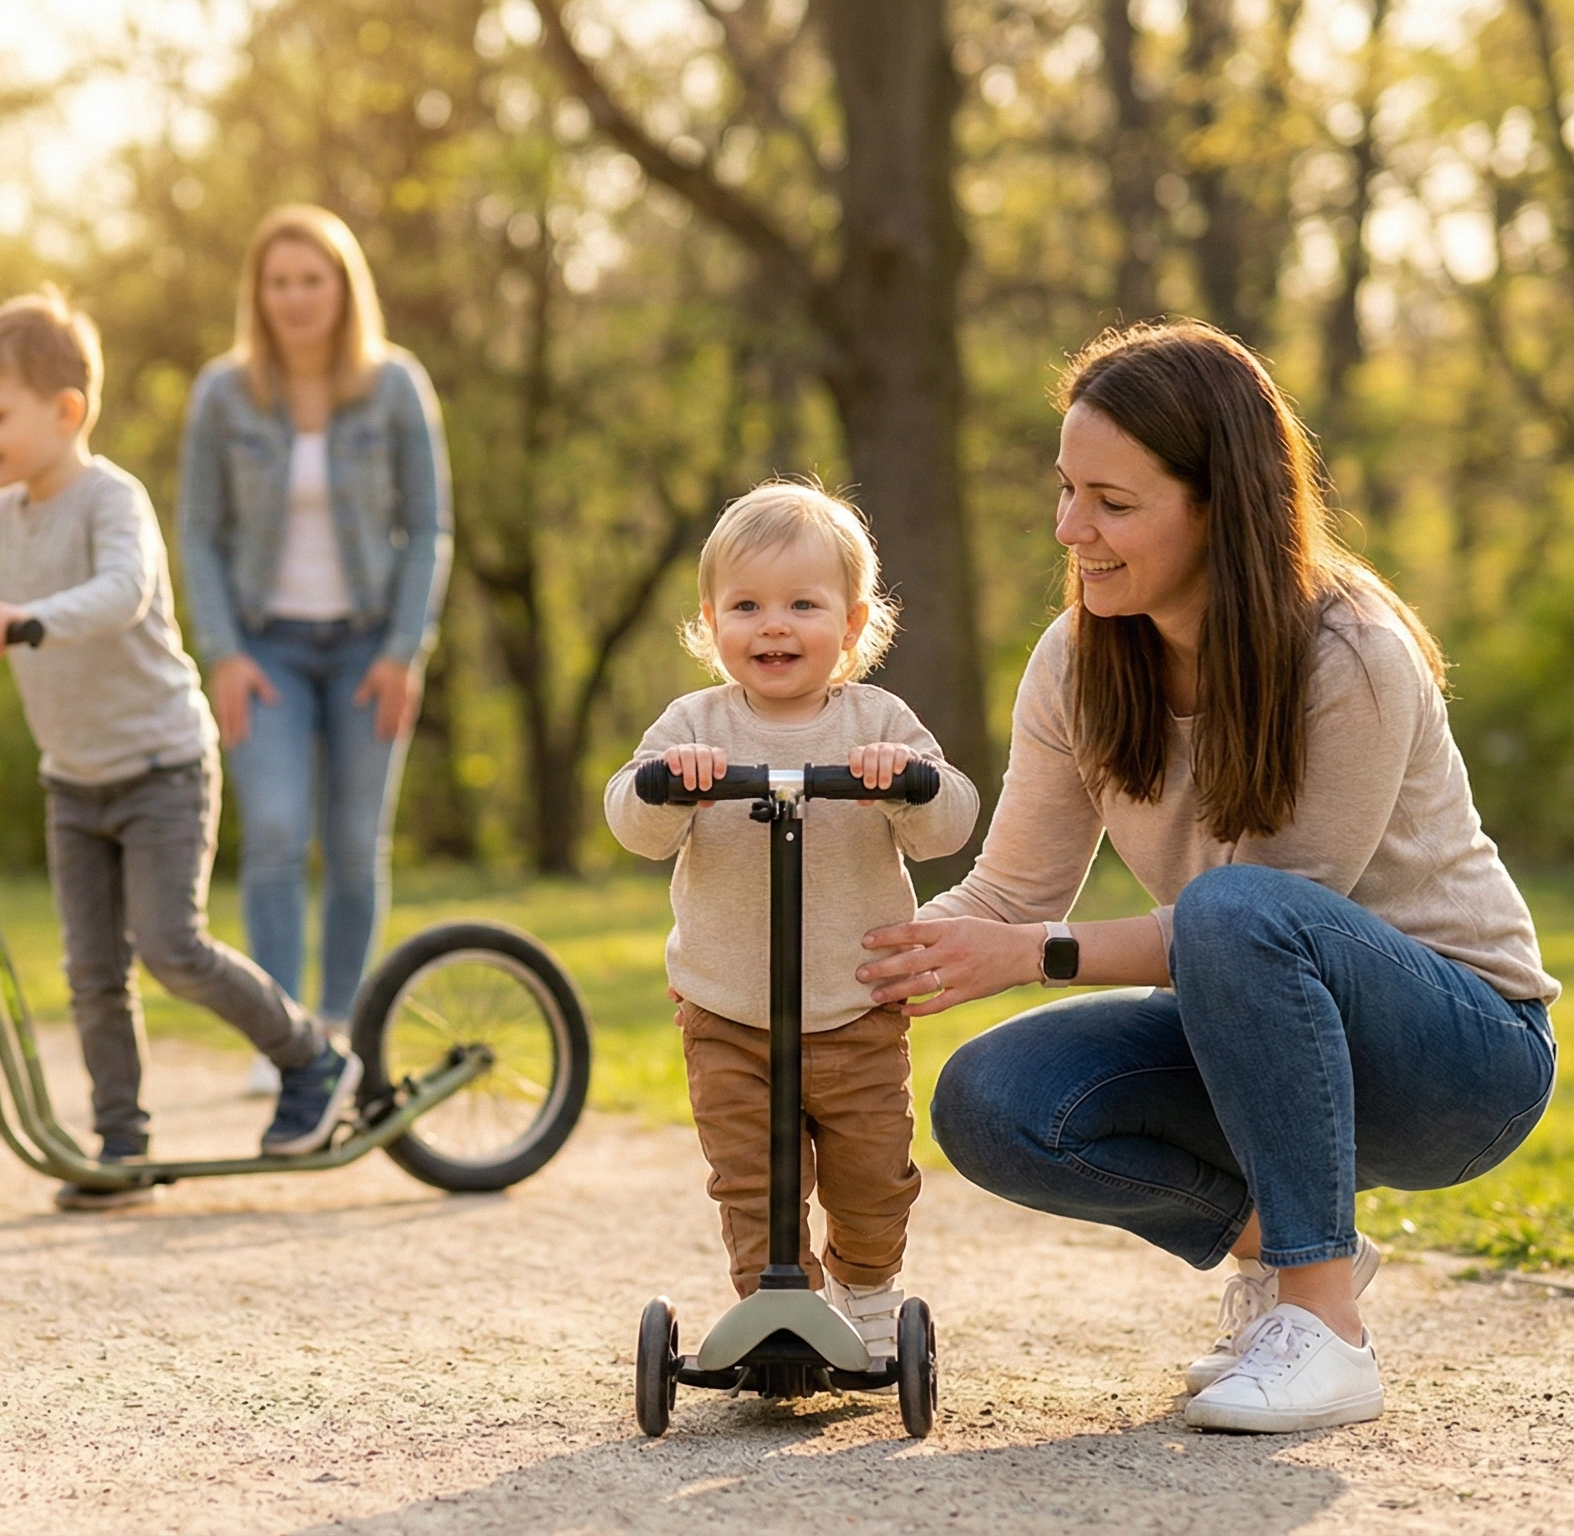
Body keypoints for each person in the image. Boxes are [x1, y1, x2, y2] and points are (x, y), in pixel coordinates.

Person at [861, 321, 1559, 1432]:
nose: (1069, 529)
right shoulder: (1078, 661)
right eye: (1065, 491)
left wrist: (1040, 956)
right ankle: (1289, 1252)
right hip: (1252, 1046)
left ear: (1218, 504)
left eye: (1111, 502)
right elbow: (1003, 898)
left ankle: (1326, 1330)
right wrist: (814, 975)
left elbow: (1250, 926)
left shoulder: (1349, 653)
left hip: (1454, 1060)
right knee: (992, 1101)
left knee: (1237, 912)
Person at [0, 288, 358, 1212]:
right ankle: (119, 1145)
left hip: (162, 767)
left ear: (66, 413)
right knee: (93, 972)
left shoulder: (112, 501)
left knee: (171, 948)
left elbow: (124, 593)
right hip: (73, 780)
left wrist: (26, 621)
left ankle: (312, 1060)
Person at [604, 483, 979, 1363]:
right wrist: (667, 780)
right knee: (749, 1183)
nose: (773, 625)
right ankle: (779, 1315)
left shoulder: (878, 723)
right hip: (729, 1013)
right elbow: (631, 819)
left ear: (851, 626)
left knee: (873, 1179)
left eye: (802, 605)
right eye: (747, 606)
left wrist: (905, 781)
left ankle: (867, 1289)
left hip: (854, 1011)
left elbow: (951, 822)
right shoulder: (695, 726)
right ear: (711, 622)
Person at [176, 205, 450, 1092]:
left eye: (313, 280)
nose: (296, 298)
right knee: (279, 835)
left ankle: (343, 1026)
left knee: (354, 840)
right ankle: (285, 1039)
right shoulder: (223, 393)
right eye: (280, 281)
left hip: (370, 647)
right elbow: (199, 533)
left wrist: (404, 650)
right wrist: (223, 650)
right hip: (267, 653)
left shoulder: (394, 385)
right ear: (258, 293)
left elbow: (428, 528)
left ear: (343, 288)